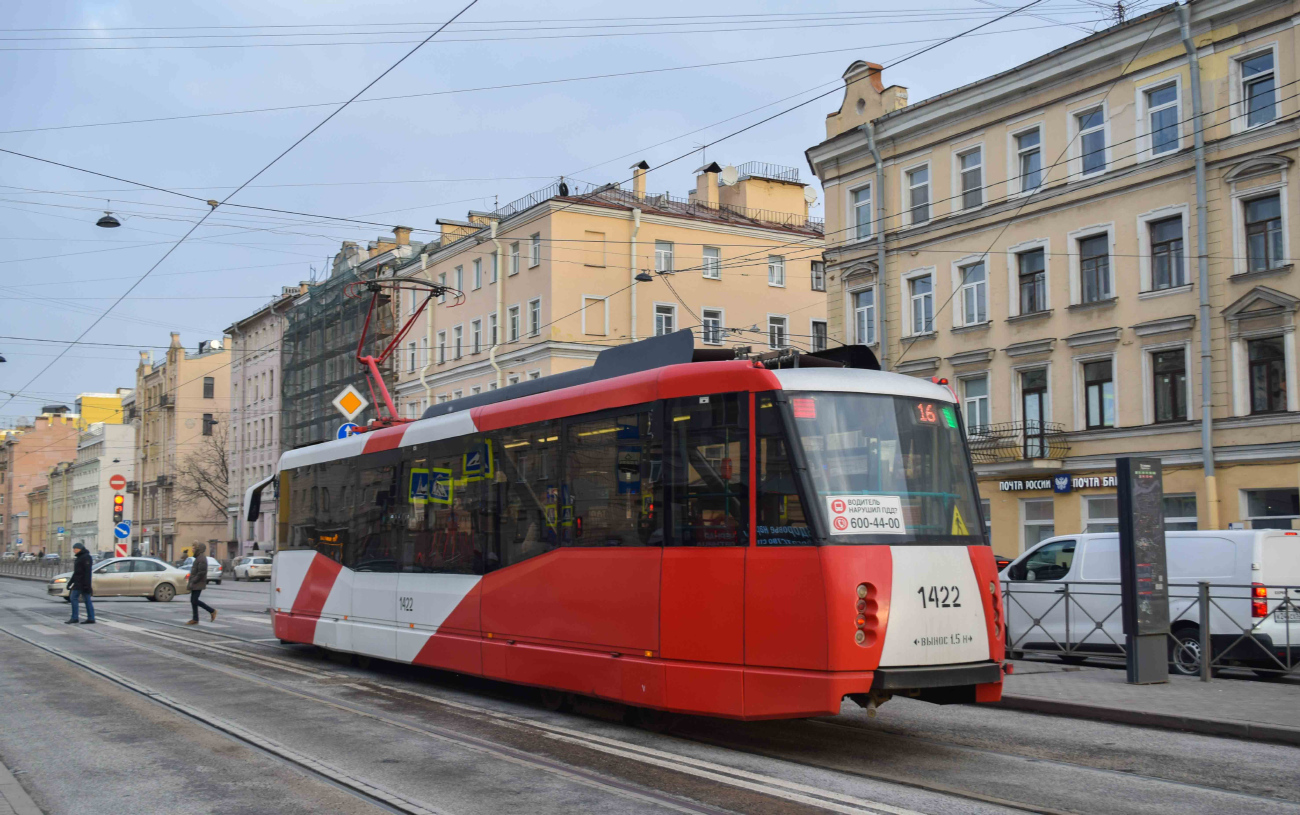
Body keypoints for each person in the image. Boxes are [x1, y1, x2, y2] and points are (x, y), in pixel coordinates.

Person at [186, 541, 217, 625]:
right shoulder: (198, 558)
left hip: (198, 583)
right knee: (193, 600)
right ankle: (195, 618)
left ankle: (212, 611)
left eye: (193, 548)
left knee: (194, 600)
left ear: (198, 549)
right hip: (196, 582)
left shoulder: (201, 558)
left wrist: (193, 580)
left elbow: (201, 573)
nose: (192, 549)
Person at [66, 543, 95, 625]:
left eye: (75, 548)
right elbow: (76, 572)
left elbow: (87, 573)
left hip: (82, 583)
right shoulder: (79, 557)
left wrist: (87, 585)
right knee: (85, 600)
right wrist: (70, 582)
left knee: (74, 598)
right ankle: (90, 618)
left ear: (80, 549)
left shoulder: (86, 557)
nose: (74, 550)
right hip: (78, 582)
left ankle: (76, 618)